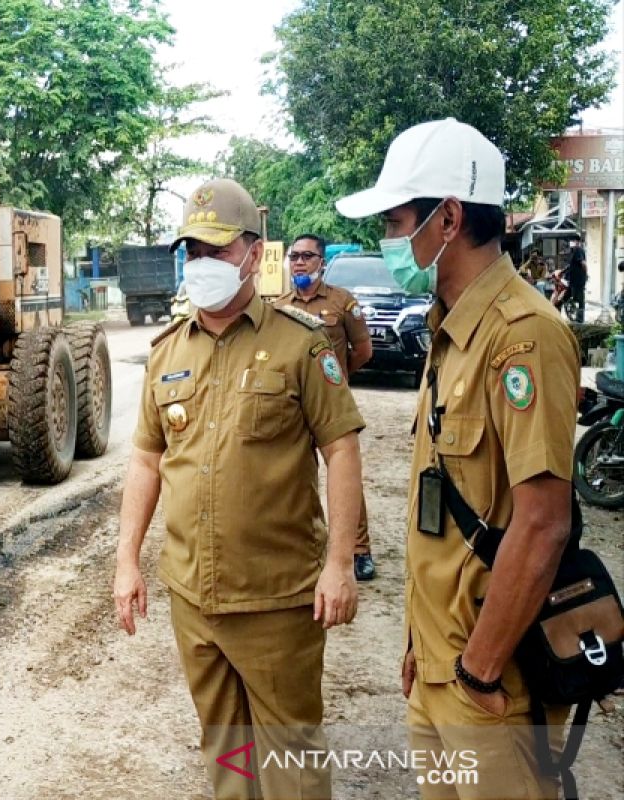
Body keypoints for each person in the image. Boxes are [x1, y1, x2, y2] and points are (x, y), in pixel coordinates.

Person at [336, 118, 578, 799]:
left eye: (395, 219)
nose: (388, 239)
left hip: (491, 686)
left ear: (447, 218)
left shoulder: (522, 335)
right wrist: (422, 647)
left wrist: (477, 670)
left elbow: (542, 523)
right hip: (441, 669)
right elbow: (441, 511)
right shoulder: (451, 332)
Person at [114, 178, 365, 799]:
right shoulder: (168, 351)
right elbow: (146, 462)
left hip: (278, 600)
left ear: (255, 253)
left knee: (291, 763)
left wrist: (339, 564)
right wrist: (126, 562)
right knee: (226, 755)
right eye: (193, 251)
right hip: (193, 597)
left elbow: (341, 449)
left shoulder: (300, 343)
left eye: (218, 250)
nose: (203, 264)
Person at [275, 234, 378, 580]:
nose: (299, 262)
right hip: (292, 406)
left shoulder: (342, 302)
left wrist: (337, 378)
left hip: (330, 406)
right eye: (294, 256)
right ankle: (300, 543)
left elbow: (363, 350)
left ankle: (358, 549)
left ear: (322, 261)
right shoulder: (280, 305)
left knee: (343, 471)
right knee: (293, 474)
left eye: (307, 256)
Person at [565, 234, 587, 322]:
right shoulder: (573, 251)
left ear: (577, 241)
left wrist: (584, 275)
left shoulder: (578, 250)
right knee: (569, 298)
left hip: (578, 280)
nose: (571, 243)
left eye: (572, 241)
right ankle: (574, 317)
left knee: (579, 300)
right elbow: (571, 265)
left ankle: (580, 319)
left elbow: (583, 264)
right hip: (573, 281)